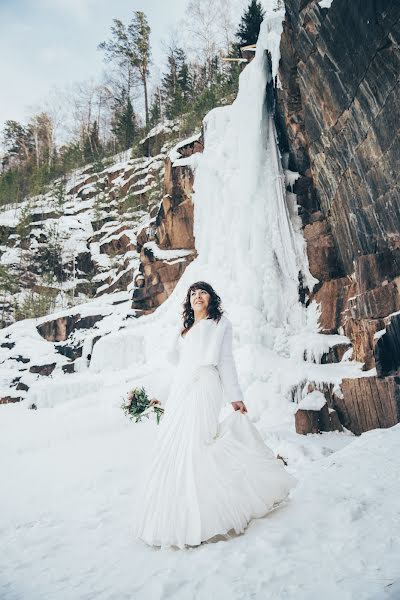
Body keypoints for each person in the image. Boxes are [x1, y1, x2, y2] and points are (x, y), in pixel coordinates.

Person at [131, 281, 296, 549]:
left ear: (211, 298)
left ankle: (213, 515)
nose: (197, 296)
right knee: (174, 443)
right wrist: (163, 394)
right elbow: (178, 365)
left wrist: (235, 397)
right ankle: (178, 517)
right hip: (182, 388)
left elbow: (226, 361)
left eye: (202, 292)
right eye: (193, 294)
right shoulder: (185, 329)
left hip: (206, 384)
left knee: (199, 442)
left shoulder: (220, 324)